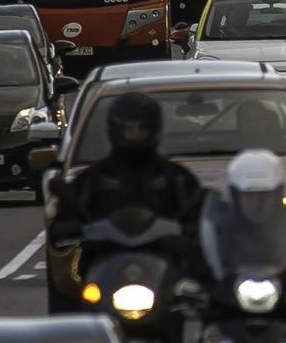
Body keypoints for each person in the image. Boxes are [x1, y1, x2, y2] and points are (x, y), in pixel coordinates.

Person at [53, 91, 204, 241]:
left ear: (154, 129)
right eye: (129, 129)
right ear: (116, 130)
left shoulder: (177, 179)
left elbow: (202, 220)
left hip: (163, 260)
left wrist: (187, 235)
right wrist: (72, 228)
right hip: (106, 260)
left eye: (142, 129)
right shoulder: (91, 180)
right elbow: (63, 225)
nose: (136, 135)